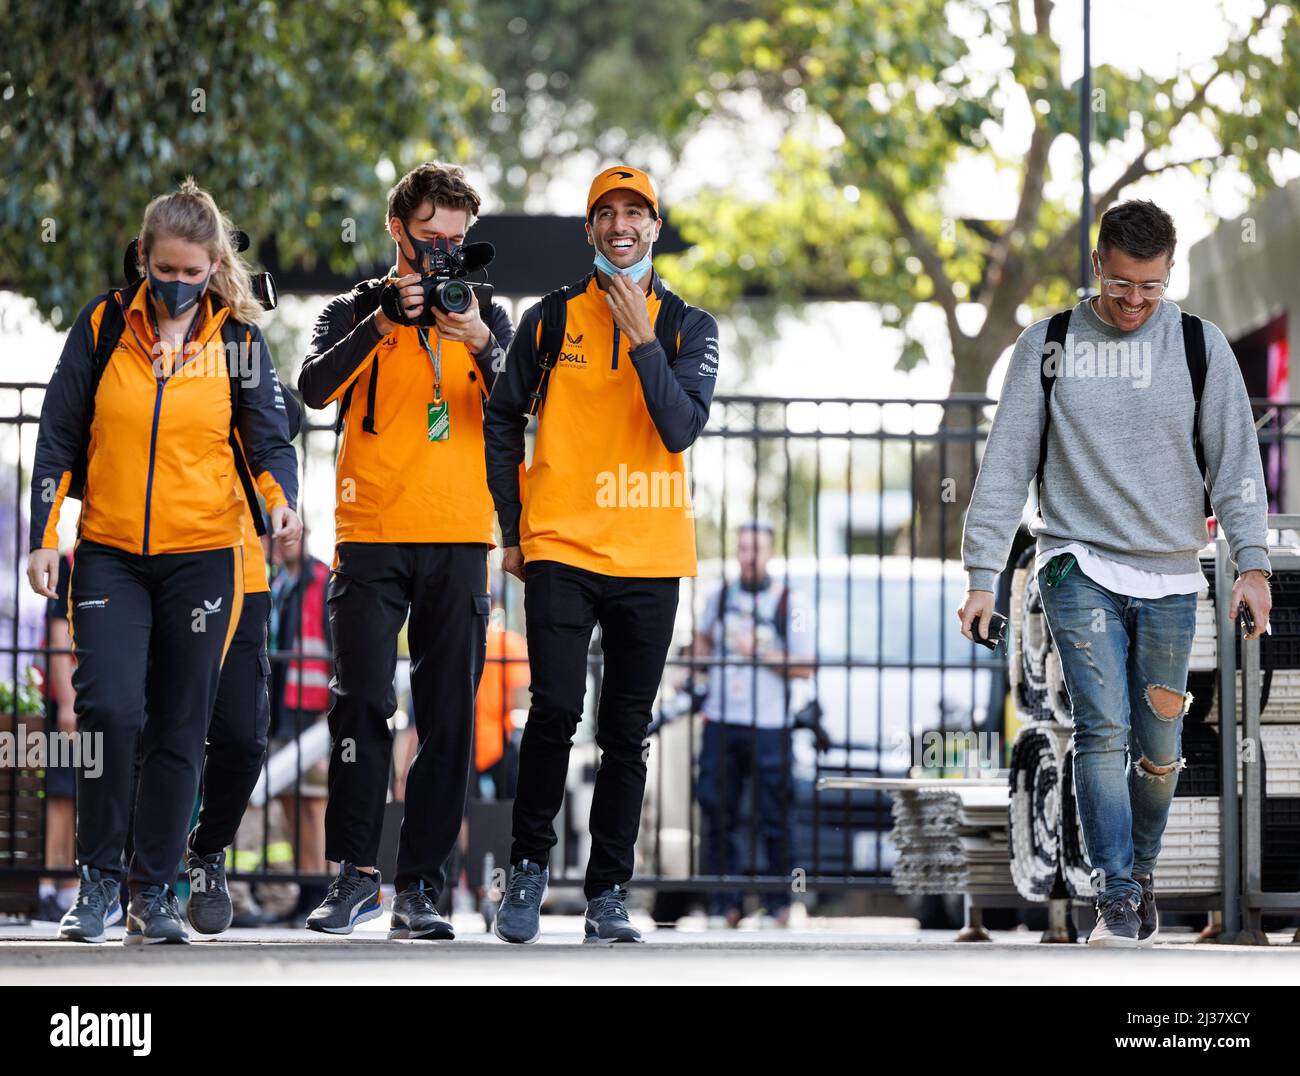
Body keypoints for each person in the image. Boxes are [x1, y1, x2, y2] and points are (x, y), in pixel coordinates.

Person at [958, 199, 1272, 947]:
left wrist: (1253, 565)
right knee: (1103, 731)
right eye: (1123, 284)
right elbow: (1005, 467)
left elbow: (1235, 465)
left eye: (1152, 288)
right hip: (1077, 564)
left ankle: (1139, 876)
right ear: (1097, 264)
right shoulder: (1051, 345)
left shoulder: (1199, 347)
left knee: (1159, 750)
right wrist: (982, 575)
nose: (1135, 302)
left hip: (1168, 575)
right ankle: (1116, 899)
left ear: (1170, 277)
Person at [27, 177, 301, 945]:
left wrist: (281, 502)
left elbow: (268, 438)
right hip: (111, 552)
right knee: (110, 710)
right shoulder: (102, 326)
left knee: (183, 725)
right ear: (143, 256)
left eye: (193, 272)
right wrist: (47, 535)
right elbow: (58, 435)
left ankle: (155, 891)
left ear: (214, 266)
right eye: (165, 269)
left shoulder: (240, 342)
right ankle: (98, 882)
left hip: (203, 557)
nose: (177, 284)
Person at [484, 165, 720, 944]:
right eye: (606, 214)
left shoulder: (691, 326)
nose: (621, 226)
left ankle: (607, 894)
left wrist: (642, 338)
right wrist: (513, 529)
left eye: (636, 214)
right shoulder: (548, 320)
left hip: (651, 554)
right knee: (552, 710)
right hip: (561, 547)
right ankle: (525, 874)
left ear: (655, 227)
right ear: (589, 230)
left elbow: (680, 428)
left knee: (627, 730)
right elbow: (501, 416)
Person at [298, 162, 514, 940]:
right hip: (371, 534)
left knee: (449, 714)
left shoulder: (487, 313)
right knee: (360, 704)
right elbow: (312, 388)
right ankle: (354, 877)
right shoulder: (352, 308)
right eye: (430, 239)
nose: (443, 256)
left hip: (460, 534)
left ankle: (422, 887)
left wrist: (482, 339)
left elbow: (523, 404)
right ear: (397, 230)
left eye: (457, 242)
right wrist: (386, 323)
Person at [184, 396, 305, 935]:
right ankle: (142, 882)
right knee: (161, 732)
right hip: (168, 565)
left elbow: (292, 413)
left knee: (242, 740)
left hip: (241, 578)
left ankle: (208, 850)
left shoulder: (244, 358)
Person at [693, 520, 813, 927]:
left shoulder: (791, 604)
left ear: (770, 553)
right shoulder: (718, 597)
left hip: (770, 724)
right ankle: (722, 903)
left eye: (756, 549)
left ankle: (778, 903)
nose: (748, 557)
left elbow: (804, 666)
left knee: (773, 815)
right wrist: (699, 656)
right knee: (717, 810)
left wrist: (758, 652)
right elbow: (701, 642)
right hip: (723, 719)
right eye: (742, 548)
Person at [35, 552, 77, 922]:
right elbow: (58, 632)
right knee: (62, 793)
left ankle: (68, 887)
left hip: (93, 698)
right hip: (73, 699)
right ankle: (48, 883)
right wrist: (67, 702)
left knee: (79, 793)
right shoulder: (69, 562)